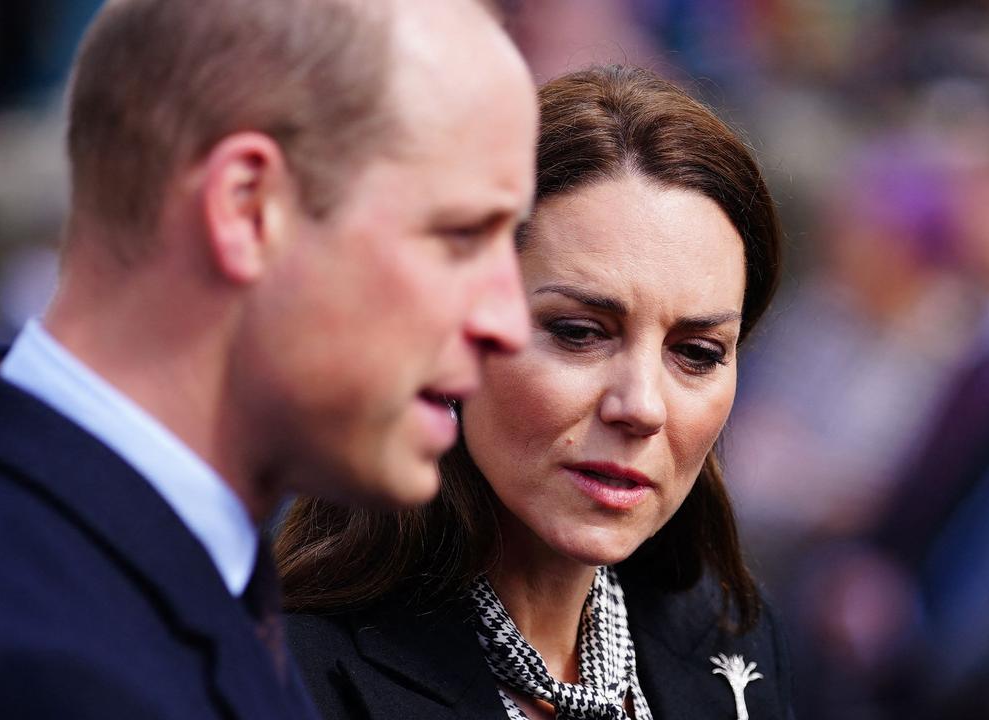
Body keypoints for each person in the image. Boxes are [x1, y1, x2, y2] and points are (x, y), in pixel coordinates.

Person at [0, 0, 536, 718]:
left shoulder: (133, 574)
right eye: (460, 237)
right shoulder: (28, 673)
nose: (507, 322)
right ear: (246, 208)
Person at [278, 65, 793, 720]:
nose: (640, 405)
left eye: (697, 353)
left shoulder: (733, 643)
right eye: (579, 333)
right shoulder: (289, 675)